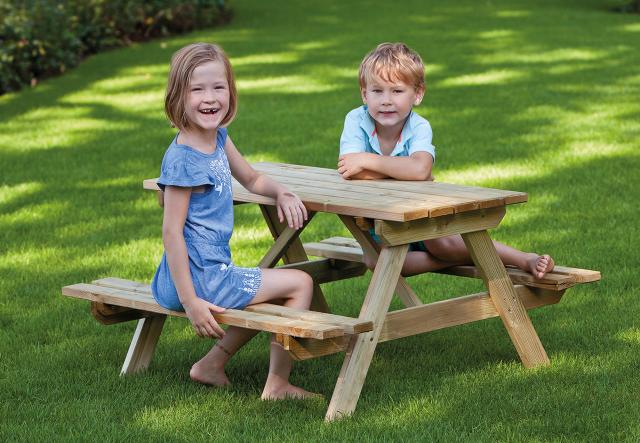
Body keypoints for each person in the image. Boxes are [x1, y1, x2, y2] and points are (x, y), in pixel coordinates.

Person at [151, 42, 318, 400]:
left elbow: (253, 179)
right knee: (301, 282)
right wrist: (193, 301)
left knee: (262, 293)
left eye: (218, 87)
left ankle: (211, 365)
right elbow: (171, 233)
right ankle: (277, 384)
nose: (210, 98)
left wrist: (282, 192)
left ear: (231, 90)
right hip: (200, 282)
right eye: (197, 89)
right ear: (178, 96)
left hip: (190, 277)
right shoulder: (184, 160)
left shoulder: (217, 138)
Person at [337, 42, 554, 278]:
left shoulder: (419, 126)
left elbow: (420, 170)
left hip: (420, 213)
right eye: (377, 91)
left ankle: (524, 259)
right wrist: (408, 171)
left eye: (397, 91)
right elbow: (352, 171)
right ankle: (467, 258)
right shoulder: (355, 120)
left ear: (417, 94)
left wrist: (369, 161)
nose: (386, 100)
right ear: (364, 94)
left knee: (443, 246)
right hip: (377, 219)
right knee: (381, 263)